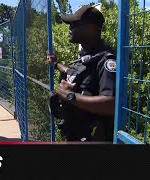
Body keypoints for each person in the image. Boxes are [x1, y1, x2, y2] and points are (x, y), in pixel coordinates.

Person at [47, 5, 116, 143]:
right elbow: (74, 73)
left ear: (91, 28)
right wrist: (56, 64)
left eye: (75, 24)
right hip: (75, 135)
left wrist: (69, 96)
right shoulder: (88, 57)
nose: (70, 28)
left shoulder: (106, 60)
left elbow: (111, 104)